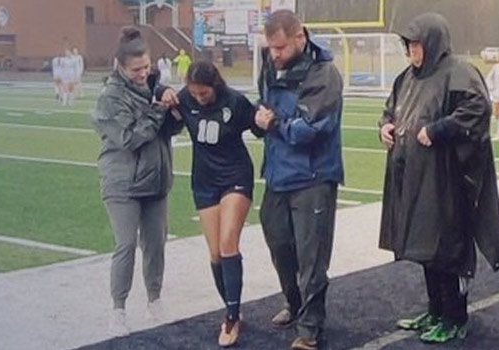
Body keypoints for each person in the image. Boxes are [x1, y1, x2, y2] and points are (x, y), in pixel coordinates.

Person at [377, 13, 499, 344]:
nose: (411, 50)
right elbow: (390, 109)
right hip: (414, 180)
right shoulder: (406, 79)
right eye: (408, 44)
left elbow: (477, 109)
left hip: (446, 182)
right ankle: (436, 309)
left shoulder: (459, 72)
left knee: (447, 249)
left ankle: (455, 315)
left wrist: (438, 131)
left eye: (416, 43)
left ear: (432, 42)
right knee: (424, 248)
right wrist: (384, 127)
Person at [252, 10, 344, 350]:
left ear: (300, 38)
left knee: (312, 256)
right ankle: (293, 302)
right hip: (277, 172)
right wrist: (259, 117)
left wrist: (273, 122)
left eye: (280, 47)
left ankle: (310, 328)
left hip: (314, 175)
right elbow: (265, 104)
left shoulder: (325, 73)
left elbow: (311, 129)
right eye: (271, 47)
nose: (274, 54)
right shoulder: (268, 62)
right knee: (279, 244)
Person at [92, 26, 182, 334]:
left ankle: (155, 301)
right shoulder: (109, 98)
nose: (143, 73)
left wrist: (174, 111)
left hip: (155, 178)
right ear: (120, 65)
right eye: (136, 69)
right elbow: (130, 138)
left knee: (156, 243)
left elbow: (166, 131)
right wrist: (159, 111)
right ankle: (118, 309)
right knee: (127, 244)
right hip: (122, 181)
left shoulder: (155, 87)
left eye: (147, 67)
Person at [174, 61, 261, 347]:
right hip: (204, 180)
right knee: (214, 254)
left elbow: (259, 126)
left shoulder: (234, 101)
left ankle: (232, 318)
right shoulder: (184, 98)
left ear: (215, 86)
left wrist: (264, 118)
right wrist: (162, 93)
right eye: (195, 94)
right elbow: (168, 115)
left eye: (204, 94)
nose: (199, 98)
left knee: (227, 245)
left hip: (235, 175)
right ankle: (231, 306)